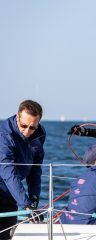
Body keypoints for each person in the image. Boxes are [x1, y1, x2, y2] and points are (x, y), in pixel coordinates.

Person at [0, 100, 46, 239]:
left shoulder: (40, 133)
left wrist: (33, 199)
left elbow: (35, 170)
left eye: (32, 127)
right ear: (17, 117)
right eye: (23, 125)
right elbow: (7, 170)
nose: (27, 131)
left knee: (7, 234)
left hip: (11, 193)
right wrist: (25, 204)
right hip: (5, 182)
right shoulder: (4, 135)